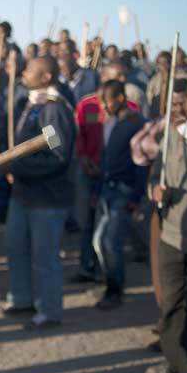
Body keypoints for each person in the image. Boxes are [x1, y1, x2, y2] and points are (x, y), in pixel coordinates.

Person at [2, 55, 76, 329]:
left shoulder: (53, 110)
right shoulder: (28, 104)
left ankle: (49, 310)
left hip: (46, 198)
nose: (24, 72)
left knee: (44, 256)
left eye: (31, 70)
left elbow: (57, 155)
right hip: (22, 194)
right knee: (15, 247)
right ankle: (21, 298)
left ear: (46, 77)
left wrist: (18, 167)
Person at [145, 77, 187, 373]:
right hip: (173, 237)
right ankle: (175, 359)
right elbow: (155, 178)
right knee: (170, 305)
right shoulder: (172, 137)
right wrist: (155, 191)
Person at [72, 86, 139, 283]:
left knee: (108, 232)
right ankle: (87, 267)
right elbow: (79, 135)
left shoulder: (132, 113)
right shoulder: (86, 105)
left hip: (113, 178)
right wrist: (84, 159)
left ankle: (109, 275)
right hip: (88, 171)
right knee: (87, 222)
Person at [92, 80, 147, 309]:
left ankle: (115, 289)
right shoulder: (113, 122)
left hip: (124, 191)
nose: (104, 106)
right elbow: (107, 157)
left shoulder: (137, 124)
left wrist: (135, 197)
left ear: (121, 99)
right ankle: (110, 281)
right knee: (99, 241)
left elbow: (142, 164)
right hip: (108, 188)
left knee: (111, 241)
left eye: (108, 101)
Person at [57, 39, 98, 105]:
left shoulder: (92, 76)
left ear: (76, 55)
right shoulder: (57, 79)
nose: (61, 55)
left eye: (65, 52)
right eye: (59, 52)